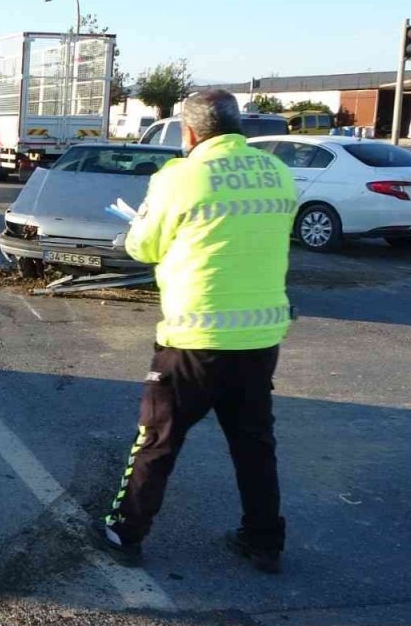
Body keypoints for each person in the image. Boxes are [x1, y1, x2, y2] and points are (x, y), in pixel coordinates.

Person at [94, 89, 298, 573]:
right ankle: (264, 540)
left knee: (158, 439)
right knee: (254, 442)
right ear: (238, 125)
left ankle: (125, 533)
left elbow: (144, 246)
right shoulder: (278, 172)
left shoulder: (180, 178)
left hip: (193, 337)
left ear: (188, 132)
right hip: (259, 336)